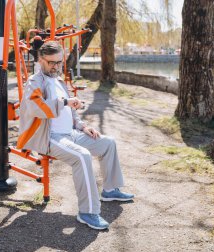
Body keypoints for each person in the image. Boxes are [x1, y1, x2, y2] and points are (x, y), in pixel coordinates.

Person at [17, 41, 134, 230]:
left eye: (59, 62)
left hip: (71, 133)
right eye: (51, 62)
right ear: (40, 60)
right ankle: (88, 212)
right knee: (82, 156)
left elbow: (70, 112)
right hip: (50, 137)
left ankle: (110, 190)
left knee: (108, 143)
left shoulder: (59, 81)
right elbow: (35, 106)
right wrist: (64, 101)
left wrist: (82, 126)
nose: (55, 66)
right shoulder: (35, 81)